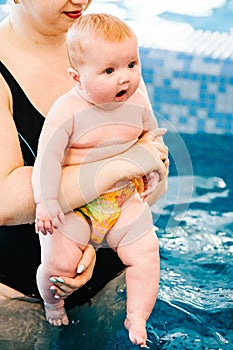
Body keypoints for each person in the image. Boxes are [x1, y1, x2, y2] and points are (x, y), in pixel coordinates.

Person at [0, 0, 167, 341]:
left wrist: (94, 239)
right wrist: (124, 163)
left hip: (110, 276)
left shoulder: (104, 44)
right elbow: (5, 198)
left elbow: (154, 163)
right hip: (16, 297)